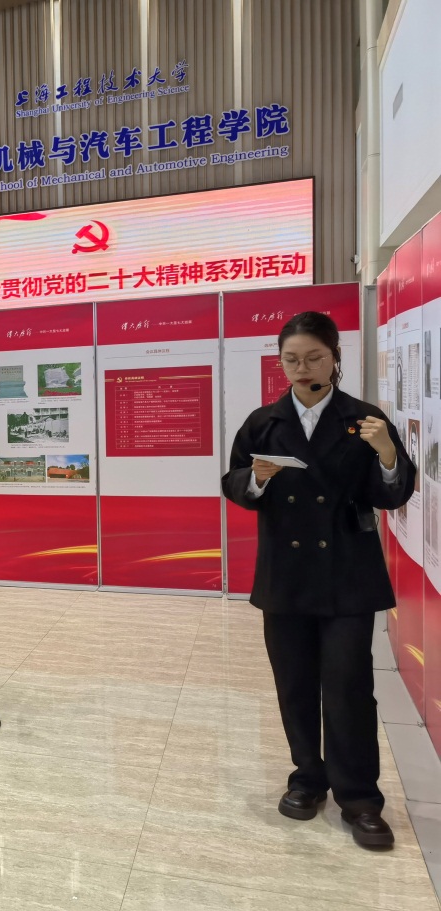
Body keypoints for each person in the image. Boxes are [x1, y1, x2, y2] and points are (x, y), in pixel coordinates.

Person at [222, 310, 415, 849]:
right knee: (295, 683)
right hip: (285, 574)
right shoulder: (264, 422)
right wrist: (255, 479)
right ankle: (307, 778)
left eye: (313, 358)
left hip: (348, 573)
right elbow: (233, 483)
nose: (302, 368)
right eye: (291, 359)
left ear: (335, 359)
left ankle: (361, 799)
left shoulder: (365, 419)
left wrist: (387, 453)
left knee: (350, 686)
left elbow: (392, 494)